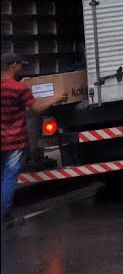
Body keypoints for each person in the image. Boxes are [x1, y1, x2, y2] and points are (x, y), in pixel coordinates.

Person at [3, 53, 68, 224]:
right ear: (13, 65)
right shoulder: (19, 89)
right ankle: (4, 215)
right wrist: (55, 98)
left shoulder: (16, 87)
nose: (21, 68)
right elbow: (37, 108)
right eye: (20, 65)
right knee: (9, 177)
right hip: (14, 141)